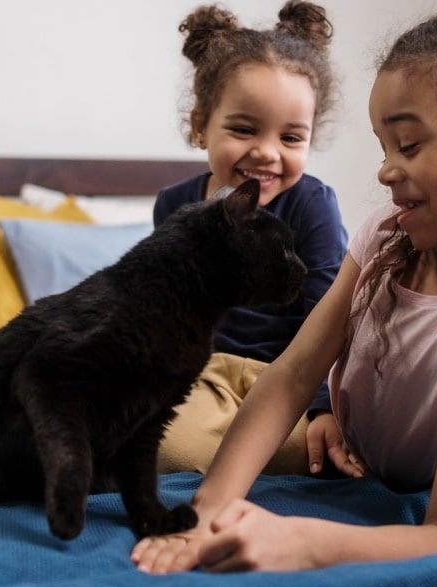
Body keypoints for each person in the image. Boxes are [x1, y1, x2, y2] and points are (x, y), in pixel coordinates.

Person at [133, 4, 437, 573]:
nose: (385, 171)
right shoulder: (388, 233)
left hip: (402, 470)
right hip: (340, 433)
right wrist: (210, 506)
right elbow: (294, 370)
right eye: (383, 146)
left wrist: (301, 541)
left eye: (407, 145)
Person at [155, 1, 347, 476]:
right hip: (202, 377)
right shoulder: (174, 206)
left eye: (290, 138)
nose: (266, 153)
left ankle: (247, 451)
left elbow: (328, 318)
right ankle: (238, 452)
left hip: (288, 378)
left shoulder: (313, 205)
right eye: (244, 129)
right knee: (164, 447)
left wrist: (324, 406)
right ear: (201, 126)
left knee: (351, 445)